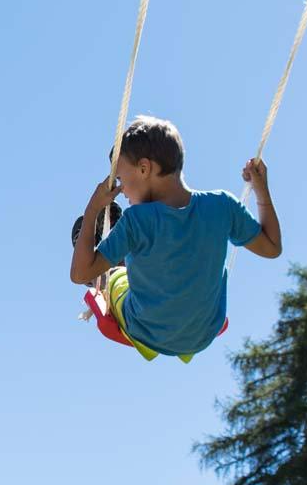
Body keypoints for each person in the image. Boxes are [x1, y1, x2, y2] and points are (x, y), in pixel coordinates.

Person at [69, 115, 281, 361]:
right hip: (201, 333)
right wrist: (261, 189)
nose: (121, 190)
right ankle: (119, 256)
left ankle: (110, 265)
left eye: (120, 179)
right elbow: (272, 247)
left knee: (117, 276)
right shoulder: (222, 206)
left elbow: (78, 274)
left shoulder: (137, 220)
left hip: (144, 330)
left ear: (144, 169)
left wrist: (93, 208)